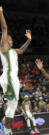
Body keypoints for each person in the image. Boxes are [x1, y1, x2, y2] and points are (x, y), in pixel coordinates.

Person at [0, 6, 32, 135]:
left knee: (13, 106)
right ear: (4, 41)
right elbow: (4, 28)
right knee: (12, 106)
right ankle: (6, 130)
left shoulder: (13, 51)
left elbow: (22, 50)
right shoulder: (4, 48)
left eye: (11, 39)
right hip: (9, 77)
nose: (11, 40)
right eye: (9, 39)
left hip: (12, 78)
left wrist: (28, 40)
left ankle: (4, 127)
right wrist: (1, 13)